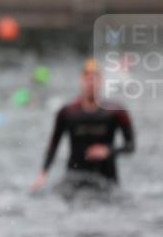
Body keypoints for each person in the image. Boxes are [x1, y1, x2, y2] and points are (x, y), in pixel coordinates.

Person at [30, 59, 135, 198]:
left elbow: (130, 146)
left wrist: (108, 151)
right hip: (74, 177)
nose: (91, 83)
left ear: (101, 81)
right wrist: (43, 174)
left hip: (106, 180)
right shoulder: (67, 112)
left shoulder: (116, 112)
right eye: (88, 79)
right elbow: (53, 145)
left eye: (95, 79)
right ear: (81, 80)